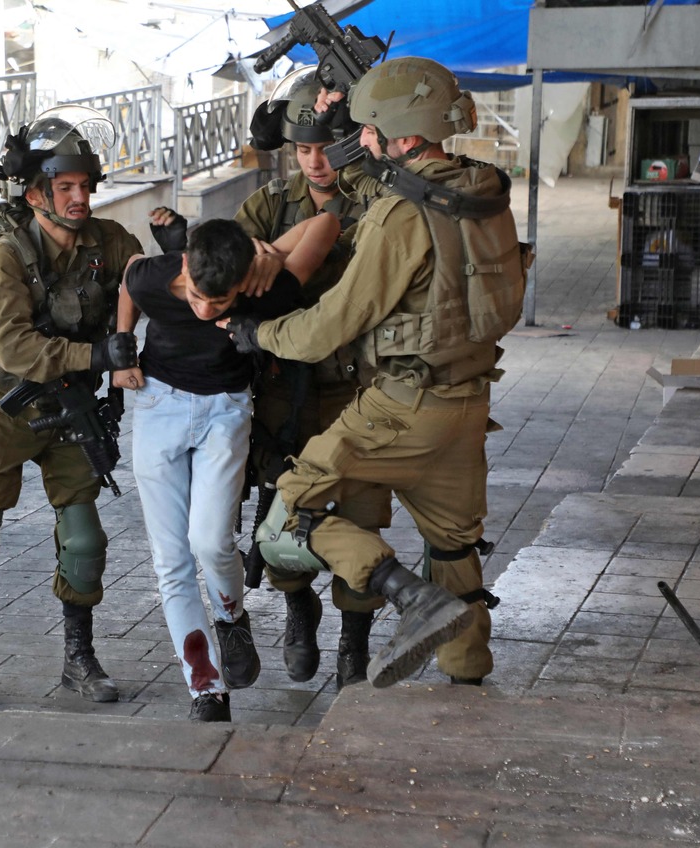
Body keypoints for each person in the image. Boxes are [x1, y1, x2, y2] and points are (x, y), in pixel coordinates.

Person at [221, 56, 529, 689]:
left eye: (368, 130)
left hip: (398, 407)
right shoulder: (485, 195)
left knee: (290, 508)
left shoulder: (401, 215)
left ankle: (409, 599)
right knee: (454, 552)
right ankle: (468, 683)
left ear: (405, 137)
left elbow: (330, 324)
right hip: (468, 407)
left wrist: (258, 334)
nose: (358, 142)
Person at [0, 105, 143, 708]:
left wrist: (178, 259)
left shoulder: (107, 240)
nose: (79, 199)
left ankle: (78, 657)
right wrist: (97, 356)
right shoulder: (9, 253)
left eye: (84, 186)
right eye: (64, 188)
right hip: (5, 406)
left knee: (86, 543)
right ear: (38, 192)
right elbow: (13, 345)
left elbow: (142, 276)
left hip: (71, 410)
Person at [115, 214, 339, 721]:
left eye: (219, 303)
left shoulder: (264, 286)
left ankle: (231, 618)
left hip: (225, 411)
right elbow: (129, 274)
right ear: (186, 265)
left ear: (243, 283)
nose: (202, 309)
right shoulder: (159, 276)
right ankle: (206, 690)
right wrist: (121, 347)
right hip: (157, 407)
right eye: (195, 294)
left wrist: (270, 255)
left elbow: (326, 223)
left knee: (210, 541)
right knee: (170, 560)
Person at [235, 66, 391, 689]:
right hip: (283, 390)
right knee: (285, 509)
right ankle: (299, 608)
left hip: (359, 389)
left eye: (326, 147)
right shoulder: (268, 207)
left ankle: (354, 642)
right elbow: (224, 277)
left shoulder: (378, 203)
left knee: (360, 515)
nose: (316, 162)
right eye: (303, 150)